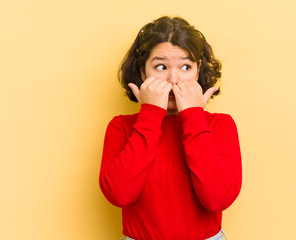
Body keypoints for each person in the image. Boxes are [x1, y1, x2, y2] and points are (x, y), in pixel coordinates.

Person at [99, 16, 242, 240]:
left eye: (186, 67)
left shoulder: (220, 125)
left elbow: (217, 199)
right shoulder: (122, 127)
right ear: (143, 71)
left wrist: (193, 117)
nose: (173, 79)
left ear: (198, 70)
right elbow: (120, 195)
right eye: (161, 67)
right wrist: (150, 115)